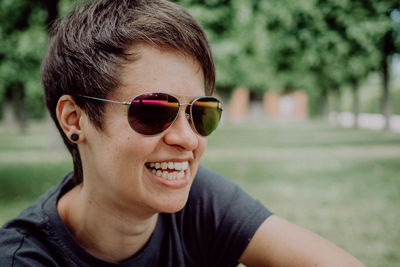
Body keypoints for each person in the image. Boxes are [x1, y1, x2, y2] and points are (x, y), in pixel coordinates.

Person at [0, 0, 365, 266]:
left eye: (200, 113)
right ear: (74, 120)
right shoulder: (25, 259)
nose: (189, 139)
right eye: (153, 112)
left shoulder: (200, 200)